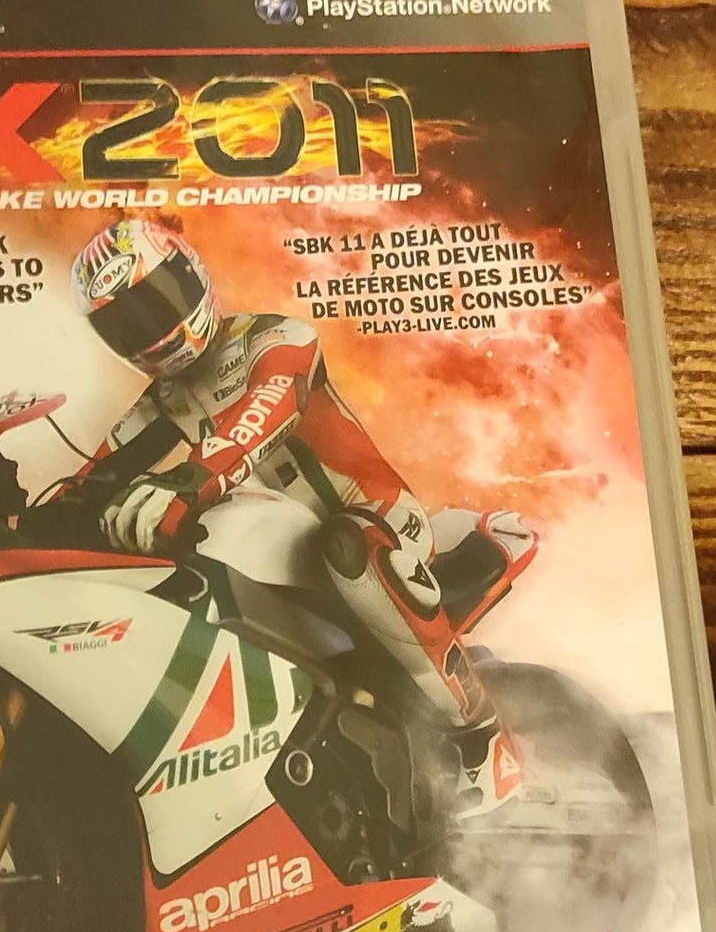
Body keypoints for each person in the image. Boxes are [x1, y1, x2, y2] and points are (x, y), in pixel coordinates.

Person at [69, 218, 531, 801]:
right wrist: (21, 518)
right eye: (128, 323)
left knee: (351, 546)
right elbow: (94, 476)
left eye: (159, 301)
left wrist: (188, 484)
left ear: (192, 277)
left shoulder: (276, 339)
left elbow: (270, 406)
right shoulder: (162, 402)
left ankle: (483, 736)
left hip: (379, 520)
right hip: (287, 550)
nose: (153, 330)